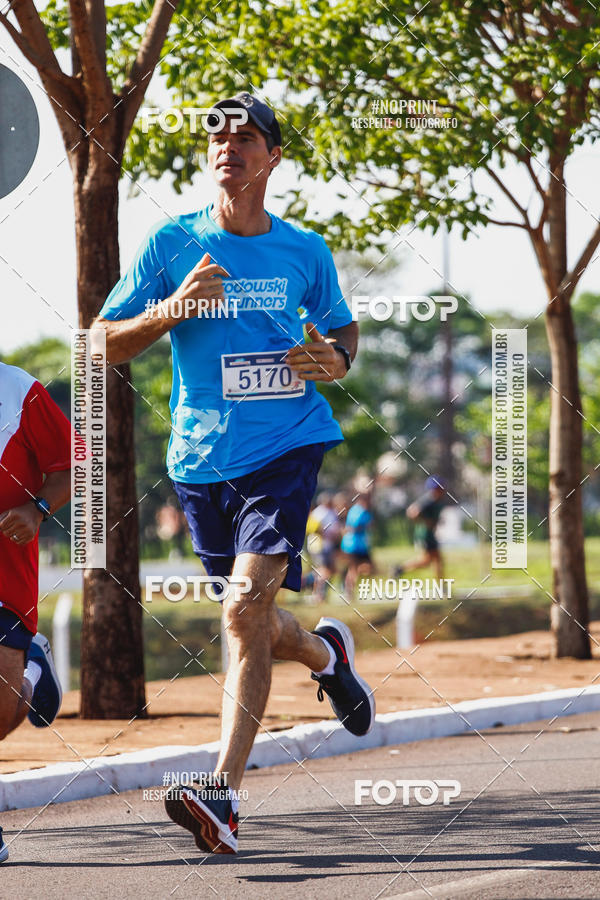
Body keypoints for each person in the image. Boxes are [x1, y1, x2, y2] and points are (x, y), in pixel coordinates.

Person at [92, 92, 375, 855]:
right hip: (199, 461)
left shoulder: (304, 251)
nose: (228, 146)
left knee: (244, 607)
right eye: (217, 135)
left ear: (272, 156)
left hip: (286, 446)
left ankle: (220, 795)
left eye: (246, 136)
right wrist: (172, 310)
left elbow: (343, 328)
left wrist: (336, 358)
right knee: (250, 618)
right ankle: (326, 654)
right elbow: (99, 342)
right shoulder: (171, 242)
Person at [0, 362, 71, 863]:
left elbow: (72, 466)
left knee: (2, 713)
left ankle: (28, 669)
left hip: (6, 575)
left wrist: (36, 510)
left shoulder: (19, 391)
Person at [397, 475, 447, 579]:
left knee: (432, 560)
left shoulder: (437, 501)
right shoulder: (428, 501)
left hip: (430, 534)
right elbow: (411, 512)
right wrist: (425, 522)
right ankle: (399, 568)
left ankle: (400, 569)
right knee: (429, 560)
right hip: (425, 534)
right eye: (439, 487)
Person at [308, 492, 342, 602]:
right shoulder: (318, 512)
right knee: (323, 570)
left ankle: (321, 593)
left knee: (331, 570)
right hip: (318, 546)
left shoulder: (332, 512)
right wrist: (327, 534)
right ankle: (317, 594)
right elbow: (313, 529)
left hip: (329, 545)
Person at [340, 492, 374, 598]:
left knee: (356, 568)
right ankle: (348, 591)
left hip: (354, 544)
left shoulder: (355, 510)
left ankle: (348, 590)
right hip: (355, 545)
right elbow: (356, 526)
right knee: (358, 569)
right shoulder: (361, 511)